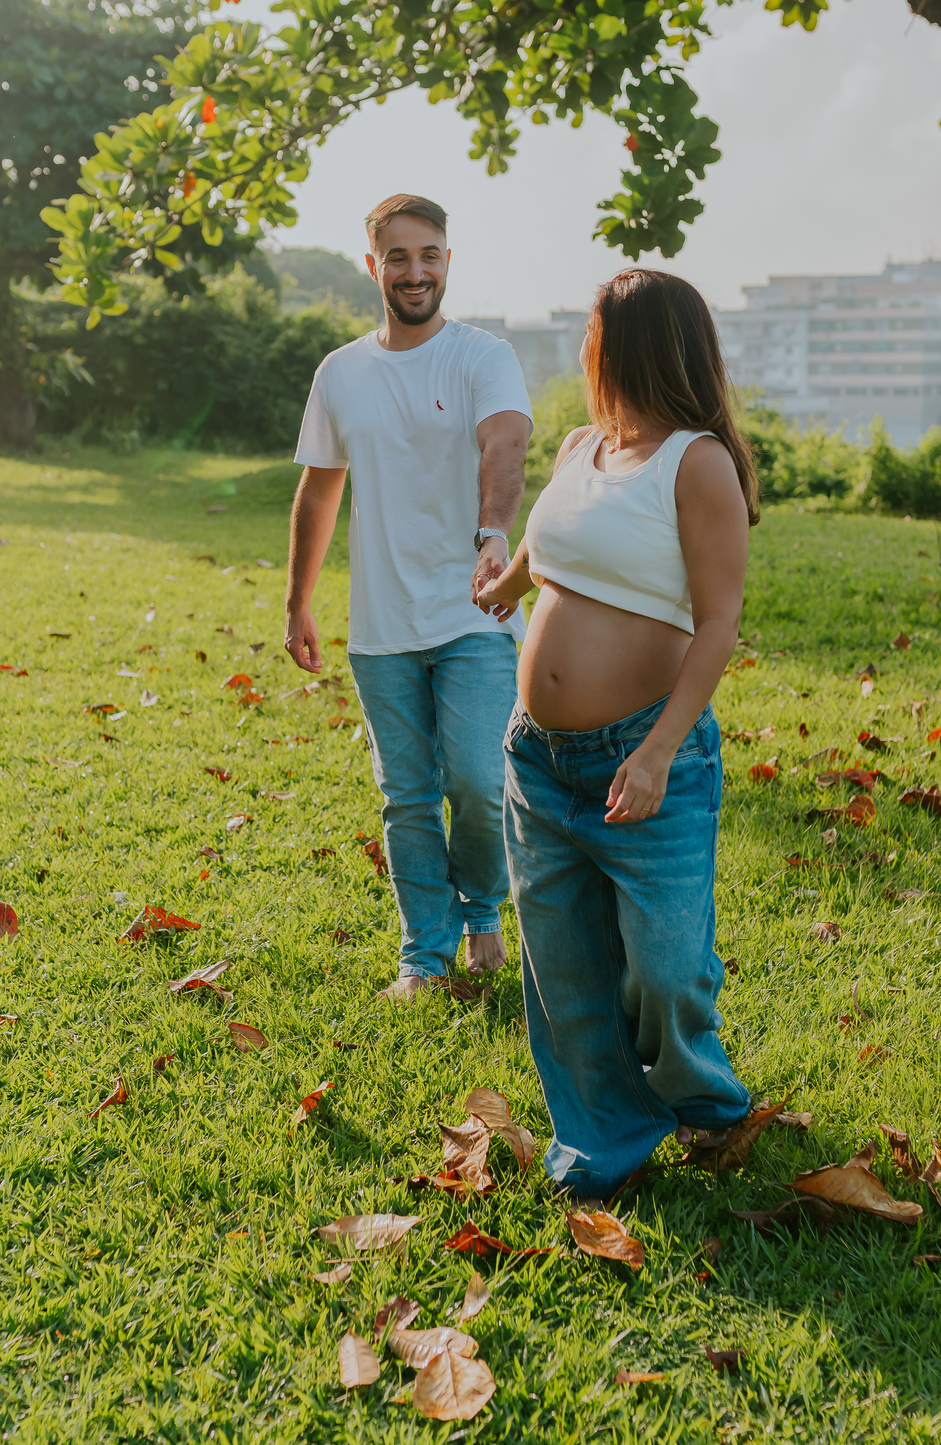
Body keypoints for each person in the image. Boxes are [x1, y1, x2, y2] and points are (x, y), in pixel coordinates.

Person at [474, 267, 758, 1199]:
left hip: (644, 756)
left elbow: (717, 623)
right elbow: (549, 545)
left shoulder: (698, 462)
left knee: (667, 971)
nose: (585, 349)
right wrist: (508, 586)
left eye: (595, 333)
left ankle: (702, 1099)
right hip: (540, 759)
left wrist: (660, 749)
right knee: (564, 971)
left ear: (630, 344)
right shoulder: (579, 447)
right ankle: (605, 1140)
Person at [285, 192, 534, 1000]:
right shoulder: (342, 373)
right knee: (407, 797)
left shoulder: (482, 356)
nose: (415, 270)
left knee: (475, 776)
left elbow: (506, 441)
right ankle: (423, 958)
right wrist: (298, 602)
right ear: (374, 266)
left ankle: (481, 908)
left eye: (429, 255)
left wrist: (494, 532)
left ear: (448, 262)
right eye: (398, 256)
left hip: (476, 609)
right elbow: (319, 494)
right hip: (382, 623)